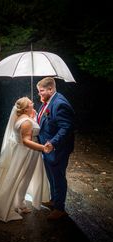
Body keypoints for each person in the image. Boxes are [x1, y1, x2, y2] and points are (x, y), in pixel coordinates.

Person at [0, 97, 50, 222]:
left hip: (20, 153)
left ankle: (19, 202)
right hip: (28, 153)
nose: (33, 104)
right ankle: (14, 204)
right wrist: (43, 148)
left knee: (17, 177)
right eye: (30, 104)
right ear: (25, 108)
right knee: (24, 178)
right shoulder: (27, 122)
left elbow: (22, 133)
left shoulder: (19, 118)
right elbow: (26, 141)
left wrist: (32, 116)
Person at [36, 77, 75, 220]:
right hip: (47, 149)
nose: (39, 94)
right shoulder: (47, 102)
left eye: (41, 91)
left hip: (58, 149)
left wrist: (52, 143)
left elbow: (67, 127)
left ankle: (60, 208)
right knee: (51, 176)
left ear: (51, 89)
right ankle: (54, 200)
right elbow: (45, 120)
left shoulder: (59, 104)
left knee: (58, 177)